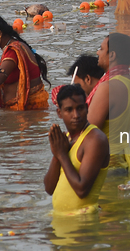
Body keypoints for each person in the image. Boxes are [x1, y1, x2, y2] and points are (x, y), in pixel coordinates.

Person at [44, 85, 109, 215]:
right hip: (63, 220)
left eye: (80, 108)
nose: (76, 115)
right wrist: (57, 156)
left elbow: (82, 190)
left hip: (82, 224)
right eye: (69, 110)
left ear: (86, 108)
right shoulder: (66, 139)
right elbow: (49, 188)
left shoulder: (95, 139)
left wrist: (62, 155)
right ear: (59, 113)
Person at [89, 33, 130, 172]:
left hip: (107, 164)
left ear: (112, 55)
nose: (97, 52)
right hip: (123, 159)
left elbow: (87, 132)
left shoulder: (107, 88)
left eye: (101, 49)